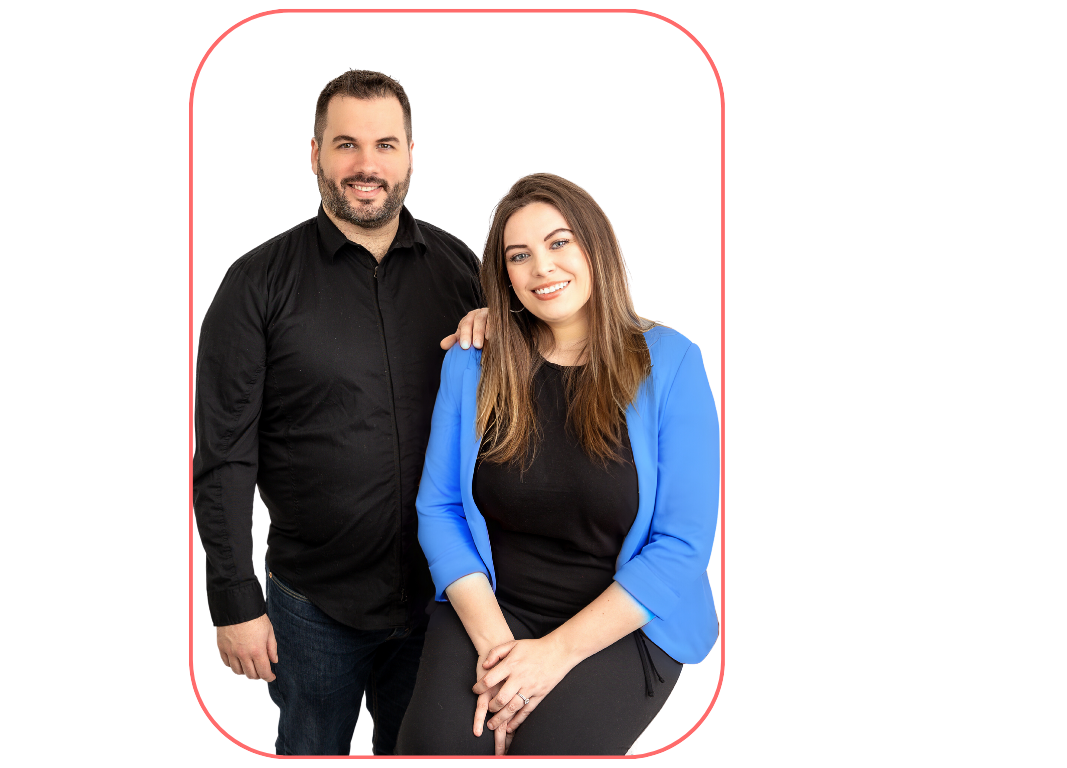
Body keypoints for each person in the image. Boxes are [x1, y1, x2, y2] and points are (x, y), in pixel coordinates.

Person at [192, 70, 487, 755]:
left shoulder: (460, 272)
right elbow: (225, 456)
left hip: (443, 599)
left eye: (385, 144)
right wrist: (234, 602)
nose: (366, 165)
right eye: (345, 144)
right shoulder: (255, 285)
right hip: (312, 606)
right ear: (316, 154)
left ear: (411, 152)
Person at [394, 174, 721, 756]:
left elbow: (681, 546)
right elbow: (438, 507)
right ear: (505, 276)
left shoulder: (670, 363)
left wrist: (552, 657)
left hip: (623, 622)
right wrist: (500, 653)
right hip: (494, 606)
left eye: (559, 243)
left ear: (596, 246)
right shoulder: (474, 361)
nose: (541, 267)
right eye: (519, 256)